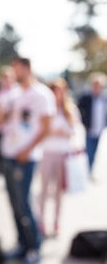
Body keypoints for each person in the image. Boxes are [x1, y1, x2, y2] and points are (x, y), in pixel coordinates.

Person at [0, 57, 55, 264]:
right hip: (9, 154)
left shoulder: (42, 94)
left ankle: (34, 247)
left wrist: (27, 150)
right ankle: (22, 243)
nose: (14, 73)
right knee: (14, 204)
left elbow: (46, 127)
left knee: (25, 204)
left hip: (25, 158)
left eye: (17, 69)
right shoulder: (14, 94)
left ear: (27, 68)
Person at [38, 78, 80, 237]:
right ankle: (41, 221)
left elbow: (75, 129)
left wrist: (64, 132)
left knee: (58, 192)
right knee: (44, 190)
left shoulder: (70, 109)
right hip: (47, 152)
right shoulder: (47, 109)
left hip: (64, 154)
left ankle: (56, 222)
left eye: (60, 91)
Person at [78, 72, 107, 172]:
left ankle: (89, 170)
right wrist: (84, 123)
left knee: (95, 151)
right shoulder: (85, 98)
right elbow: (79, 111)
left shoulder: (104, 98)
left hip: (99, 130)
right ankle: (87, 171)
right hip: (89, 129)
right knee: (89, 151)